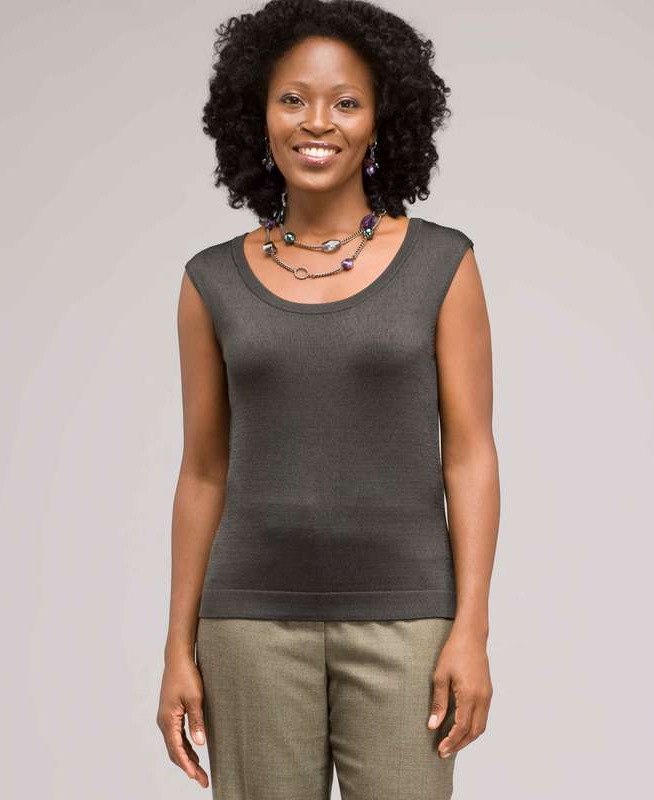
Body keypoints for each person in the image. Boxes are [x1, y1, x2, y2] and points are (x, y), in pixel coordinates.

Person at [156, 1, 500, 797]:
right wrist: (177, 646)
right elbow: (203, 471)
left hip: (409, 620)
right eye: (292, 99)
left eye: (346, 101)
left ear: (382, 120)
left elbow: (470, 455)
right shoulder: (210, 280)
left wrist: (471, 629)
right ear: (258, 114)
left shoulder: (442, 264)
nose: (318, 122)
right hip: (247, 625)